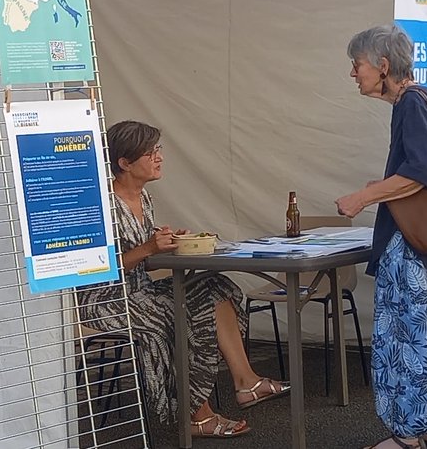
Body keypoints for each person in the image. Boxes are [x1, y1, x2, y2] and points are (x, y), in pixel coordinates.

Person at [76, 120, 289, 438]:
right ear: (124, 163)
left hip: (139, 291)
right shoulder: (101, 205)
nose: (159, 157)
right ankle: (197, 416)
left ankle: (246, 381)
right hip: (105, 300)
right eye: (150, 153)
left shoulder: (144, 199)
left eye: (157, 149)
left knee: (217, 286)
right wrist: (149, 247)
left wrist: (167, 243)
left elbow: (143, 265)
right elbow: (91, 268)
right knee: (184, 311)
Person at [335, 24, 427, 449]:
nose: (354, 74)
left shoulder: (410, 103)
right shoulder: (425, 99)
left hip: (415, 251)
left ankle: (409, 436)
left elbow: (420, 171)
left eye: (357, 65)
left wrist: (365, 195)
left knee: (405, 341)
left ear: (383, 65)